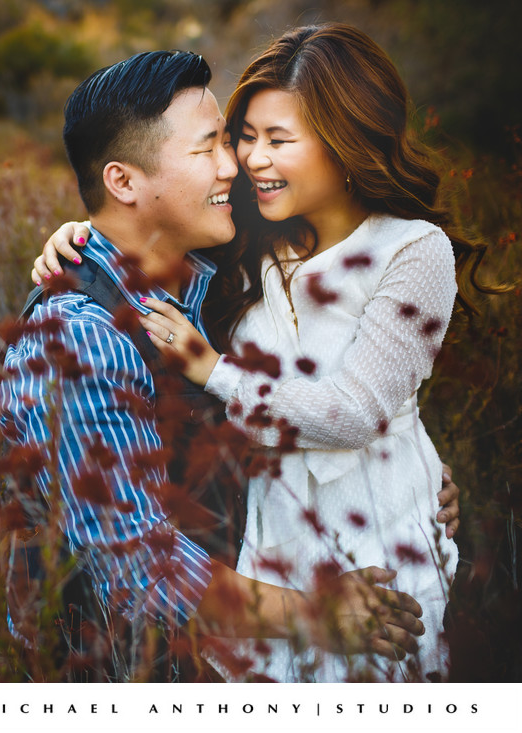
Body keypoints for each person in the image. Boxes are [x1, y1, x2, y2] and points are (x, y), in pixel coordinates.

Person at [32, 24, 475, 681]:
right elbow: (128, 554)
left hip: (376, 543)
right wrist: (81, 241)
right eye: (241, 139)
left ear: (345, 143)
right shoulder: (238, 250)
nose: (246, 162)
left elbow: (356, 403)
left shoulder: (397, 250)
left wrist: (409, 466)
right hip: (260, 567)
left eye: (278, 141)